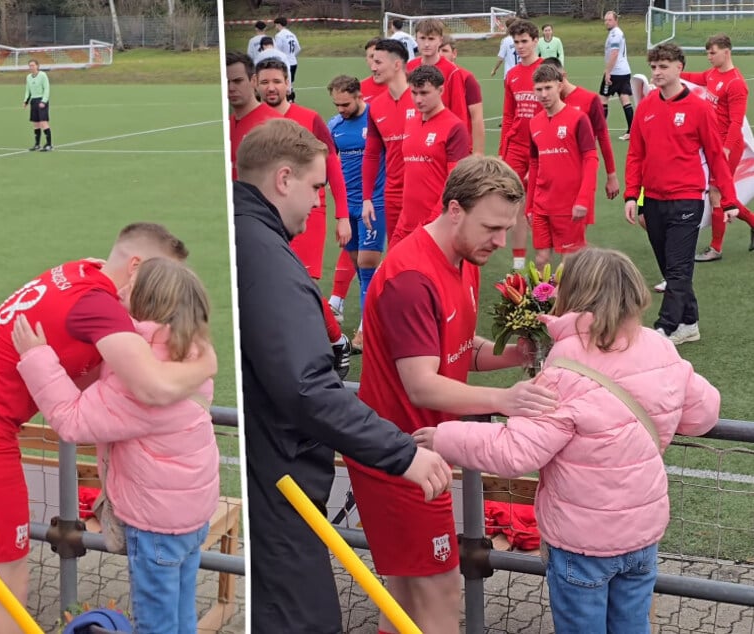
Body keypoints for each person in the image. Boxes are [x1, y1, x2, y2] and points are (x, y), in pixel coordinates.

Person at [0, 223, 217, 634]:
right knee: (9, 571)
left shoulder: (82, 272)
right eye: (158, 273)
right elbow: (152, 387)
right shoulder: (103, 308)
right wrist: (206, 364)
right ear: (136, 267)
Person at [419, 247, 721, 634]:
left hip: (582, 542)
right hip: (641, 535)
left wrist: (444, 436)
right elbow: (703, 414)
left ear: (573, 295)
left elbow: (515, 451)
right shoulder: (659, 347)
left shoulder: (565, 366)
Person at [234, 118, 455, 634]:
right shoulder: (266, 257)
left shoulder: (258, 242)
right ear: (283, 179)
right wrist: (401, 452)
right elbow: (307, 387)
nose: (319, 203)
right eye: (316, 187)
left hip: (279, 477)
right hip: (280, 485)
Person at [348, 155, 558, 633]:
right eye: (492, 228)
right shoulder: (411, 278)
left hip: (421, 454)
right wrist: (504, 400)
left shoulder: (463, 258)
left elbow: (457, 350)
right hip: (400, 458)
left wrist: (513, 354)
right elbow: (422, 383)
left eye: (506, 228)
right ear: (455, 209)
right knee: (439, 592)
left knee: (404, 601)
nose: (500, 241)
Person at [10, 257, 219, 634]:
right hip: (190, 517)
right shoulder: (189, 354)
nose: (119, 292)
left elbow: (73, 421)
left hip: (157, 527)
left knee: (156, 626)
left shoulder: (142, 377)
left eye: (130, 288)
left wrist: (37, 357)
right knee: (181, 616)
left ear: (148, 302)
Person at [624, 43, 739, 345]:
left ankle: (665, 328)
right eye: (654, 67)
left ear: (679, 68)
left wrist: (728, 200)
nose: (657, 72)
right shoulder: (646, 106)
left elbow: (716, 157)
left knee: (677, 268)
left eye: (663, 66)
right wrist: (631, 195)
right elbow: (635, 154)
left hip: (687, 198)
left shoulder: (699, 109)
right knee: (670, 266)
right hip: (653, 200)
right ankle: (689, 322)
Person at [255, 57, 354, 377]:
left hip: (308, 211)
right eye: (265, 81)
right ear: (256, 85)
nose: (271, 87)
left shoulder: (309, 119)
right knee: (269, 285)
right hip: (265, 214)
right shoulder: (250, 122)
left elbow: (332, 165)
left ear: (288, 84)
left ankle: (336, 341)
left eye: (277, 81)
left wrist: (343, 216)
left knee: (301, 282)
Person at [326, 76, 386, 351]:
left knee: (367, 265)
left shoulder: (376, 119)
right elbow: (327, 162)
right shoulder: (334, 126)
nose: (341, 110)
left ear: (359, 96)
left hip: (373, 203)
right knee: (360, 269)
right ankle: (373, 317)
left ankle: (365, 330)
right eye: (337, 105)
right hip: (347, 206)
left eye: (345, 104)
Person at [681, 34, 754, 261]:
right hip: (713, 144)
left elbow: (736, 122)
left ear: (726, 52)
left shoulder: (736, 83)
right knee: (721, 195)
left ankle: (716, 248)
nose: (709, 57)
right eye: (708, 53)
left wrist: (726, 150)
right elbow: (695, 77)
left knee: (716, 193)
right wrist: (672, 74)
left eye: (712, 52)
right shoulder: (713, 74)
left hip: (727, 147)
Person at [527, 63, 598, 267]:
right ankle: (544, 291)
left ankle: (577, 288)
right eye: (539, 89)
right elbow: (534, 164)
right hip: (541, 204)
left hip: (569, 204)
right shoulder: (534, 123)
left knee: (569, 262)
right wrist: (529, 205)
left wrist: (583, 199)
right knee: (541, 260)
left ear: (559, 86)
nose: (543, 94)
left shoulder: (578, 119)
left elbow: (591, 159)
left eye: (548, 88)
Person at [392, 65, 469, 244]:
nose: (418, 99)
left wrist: (434, 221)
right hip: (405, 223)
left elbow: (456, 183)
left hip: (435, 225)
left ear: (440, 90)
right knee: (392, 261)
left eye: (424, 93)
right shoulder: (411, 123)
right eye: (414, 93)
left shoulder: (455, 128)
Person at [540, 57, 620, 204]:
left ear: (563, 76)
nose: (546, 91)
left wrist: (612, 175)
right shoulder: (547, 103)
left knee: (578, 214)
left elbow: (603, 136)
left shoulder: (589, 99)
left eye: (551, 84)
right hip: (553, 176)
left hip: (582, 174)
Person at [500, 18, 543, 270]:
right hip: (516, 147)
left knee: (540, 206)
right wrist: (503, 151)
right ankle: (518, 265)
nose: (520, 46)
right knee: (515, 203)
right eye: (516, 42)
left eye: (524, 41)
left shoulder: (546, 71)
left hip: (542, 149)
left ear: (535, 41)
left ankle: (543, 263)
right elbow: (508, 116)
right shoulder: (512, 75)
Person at [361, 39, 412, 244]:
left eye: (378, 62)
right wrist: (367, 198)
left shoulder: (421, 100)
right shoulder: (375, 106)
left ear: (397, 65)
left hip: (423, 193)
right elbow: (372, 154)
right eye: (372, 61)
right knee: (397, 252)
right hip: (392, 195)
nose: (373, 67)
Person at [406, 19, 472, 154]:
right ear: (416, 39)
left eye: (431, 39)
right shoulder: (409, 67)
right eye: (422, 38)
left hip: (441, 138)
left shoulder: (452, 71)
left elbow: (459, 111)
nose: (426, 44)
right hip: (414, 133)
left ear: (440, 40)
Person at [226, 51, 280, 180]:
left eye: (238, 81)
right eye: (226, 82)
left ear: (254, 81)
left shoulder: (274, 124)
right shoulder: (226, 124)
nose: (231, 88)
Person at [439, 36, 485, 156]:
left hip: (460, 146)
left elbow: (477, 118)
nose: (440, 55)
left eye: (444, 50)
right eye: (438, 50)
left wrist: (478, 153)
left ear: (454, 53)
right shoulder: (427, 79)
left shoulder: (467, 78)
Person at [602, 11, 634, 141]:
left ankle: (600, 131)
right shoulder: (616, 33)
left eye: (609, 20)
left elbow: (614, 54)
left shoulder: (615, 34)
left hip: (615, 73)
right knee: (625, 100)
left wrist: (608, 72)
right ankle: (632, 131)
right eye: (605, 20)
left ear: (616, 20)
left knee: (603, 100)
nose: (607, 22)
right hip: (624, 71)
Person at [23, 59, 52, 151]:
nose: (31, 67)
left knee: (43, 122)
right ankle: (37, 144)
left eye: (33, 65)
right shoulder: (28, 77)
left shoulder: (43, 75)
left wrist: (44, 101)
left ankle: (49, 145)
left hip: (41, 100)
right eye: (30, 66)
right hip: (34, 101)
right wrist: (26, 101)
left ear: (37, 66)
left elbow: (46, 88)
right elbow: (28, 90)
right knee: (36, 124)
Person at [272, 17, 300, 101]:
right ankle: (291, 100)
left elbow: (277, 50)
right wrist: (292, 55)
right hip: (294, 62)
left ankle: (287, 100)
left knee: (284, 83)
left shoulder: (279, 35)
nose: (275, 27)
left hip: (285, 63)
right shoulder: (292, 34)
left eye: (276, 25)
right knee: (290, 83)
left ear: (279, 24)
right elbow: (298, 48)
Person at [358, 37, 387, 103]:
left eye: (379, 55)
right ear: (366, 60)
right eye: (372, 56)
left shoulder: (402, 86)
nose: (375, 59)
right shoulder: (359, 89)